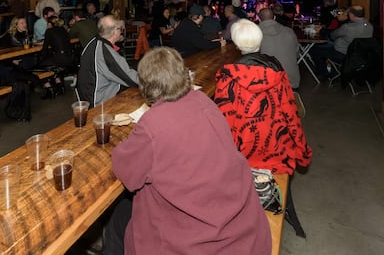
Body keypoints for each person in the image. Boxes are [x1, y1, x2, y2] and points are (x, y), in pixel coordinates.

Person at [104, 47, 272, 255]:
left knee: (119, 217)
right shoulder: (205, 102)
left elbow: (128, 174)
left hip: (196, 241)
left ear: (146, 86)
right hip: (240, 228)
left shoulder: (153, 124)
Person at [214, 19, 312, 233]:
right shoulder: (278, 72)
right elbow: (290, 114)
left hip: (243, 154)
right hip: (277, 149)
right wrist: (302, 151)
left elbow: (225, 122)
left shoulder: (227, 76)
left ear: (238, 45)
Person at [77, 15, 138, 107]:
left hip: (86, 96)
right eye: (120, 29)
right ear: (114, 31)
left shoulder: (93, 42)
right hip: (98, 102)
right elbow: (131, 78)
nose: (121, 32)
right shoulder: (106, 53)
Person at [310, 5, 373, 78]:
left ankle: (325, 73)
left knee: (314, 50)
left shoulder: (347, 27)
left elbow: (333, 36)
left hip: (344, 55)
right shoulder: (370, 26)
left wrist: (321, 30)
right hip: (361, 56)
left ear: (351, 15)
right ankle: (334, 73)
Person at [258, 7, 301, 90]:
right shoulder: (289, 31)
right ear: (274, 18)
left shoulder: (255, 34)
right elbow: (297, 54)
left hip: (267, 86)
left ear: (259, 19)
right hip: (291, 83)